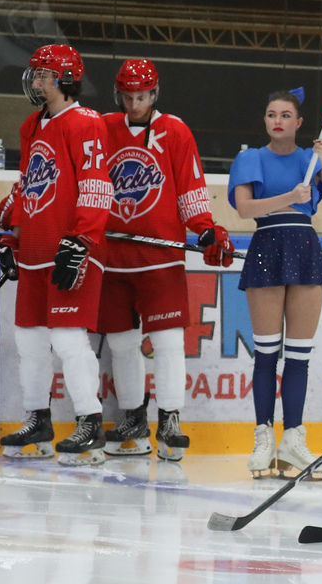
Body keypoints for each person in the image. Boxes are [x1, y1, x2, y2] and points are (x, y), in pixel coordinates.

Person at [94, 58, 233, 461]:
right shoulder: (102, 129)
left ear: (154, 94)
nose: (135, 104)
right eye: (128, 96)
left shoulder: (175, 130)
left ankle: (170, 418)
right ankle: (134, 419)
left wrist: (205, 228)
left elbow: (190, 187)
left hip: (160, 257)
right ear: (118, 94)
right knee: (121, 344)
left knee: (170, 341)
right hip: (114, 258)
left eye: (142, 96)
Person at [0, 44, 113, 465]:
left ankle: (90, 424)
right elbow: (29, 185)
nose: (36, 81)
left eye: (43, 74)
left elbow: (98, 185)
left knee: (67, 338)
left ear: (64, 79)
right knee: (28, 338)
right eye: (37, 74)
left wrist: (81, 241)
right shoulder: (32, 126)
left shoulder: (85, 123)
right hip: (37, 249)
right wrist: (14, 237)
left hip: (72, 248)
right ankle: (38, 419)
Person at [228, 88, 322, 479]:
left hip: (304, 246)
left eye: (286, 115)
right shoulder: (249, 158)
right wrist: (290, 196)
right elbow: (244, 208)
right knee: (267, 352)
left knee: (299, 354)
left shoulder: (311, 161)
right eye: (272, 114)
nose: (278, 120)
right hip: (266, 246)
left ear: (299, 122)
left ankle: (293, 438)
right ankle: (263, 438)